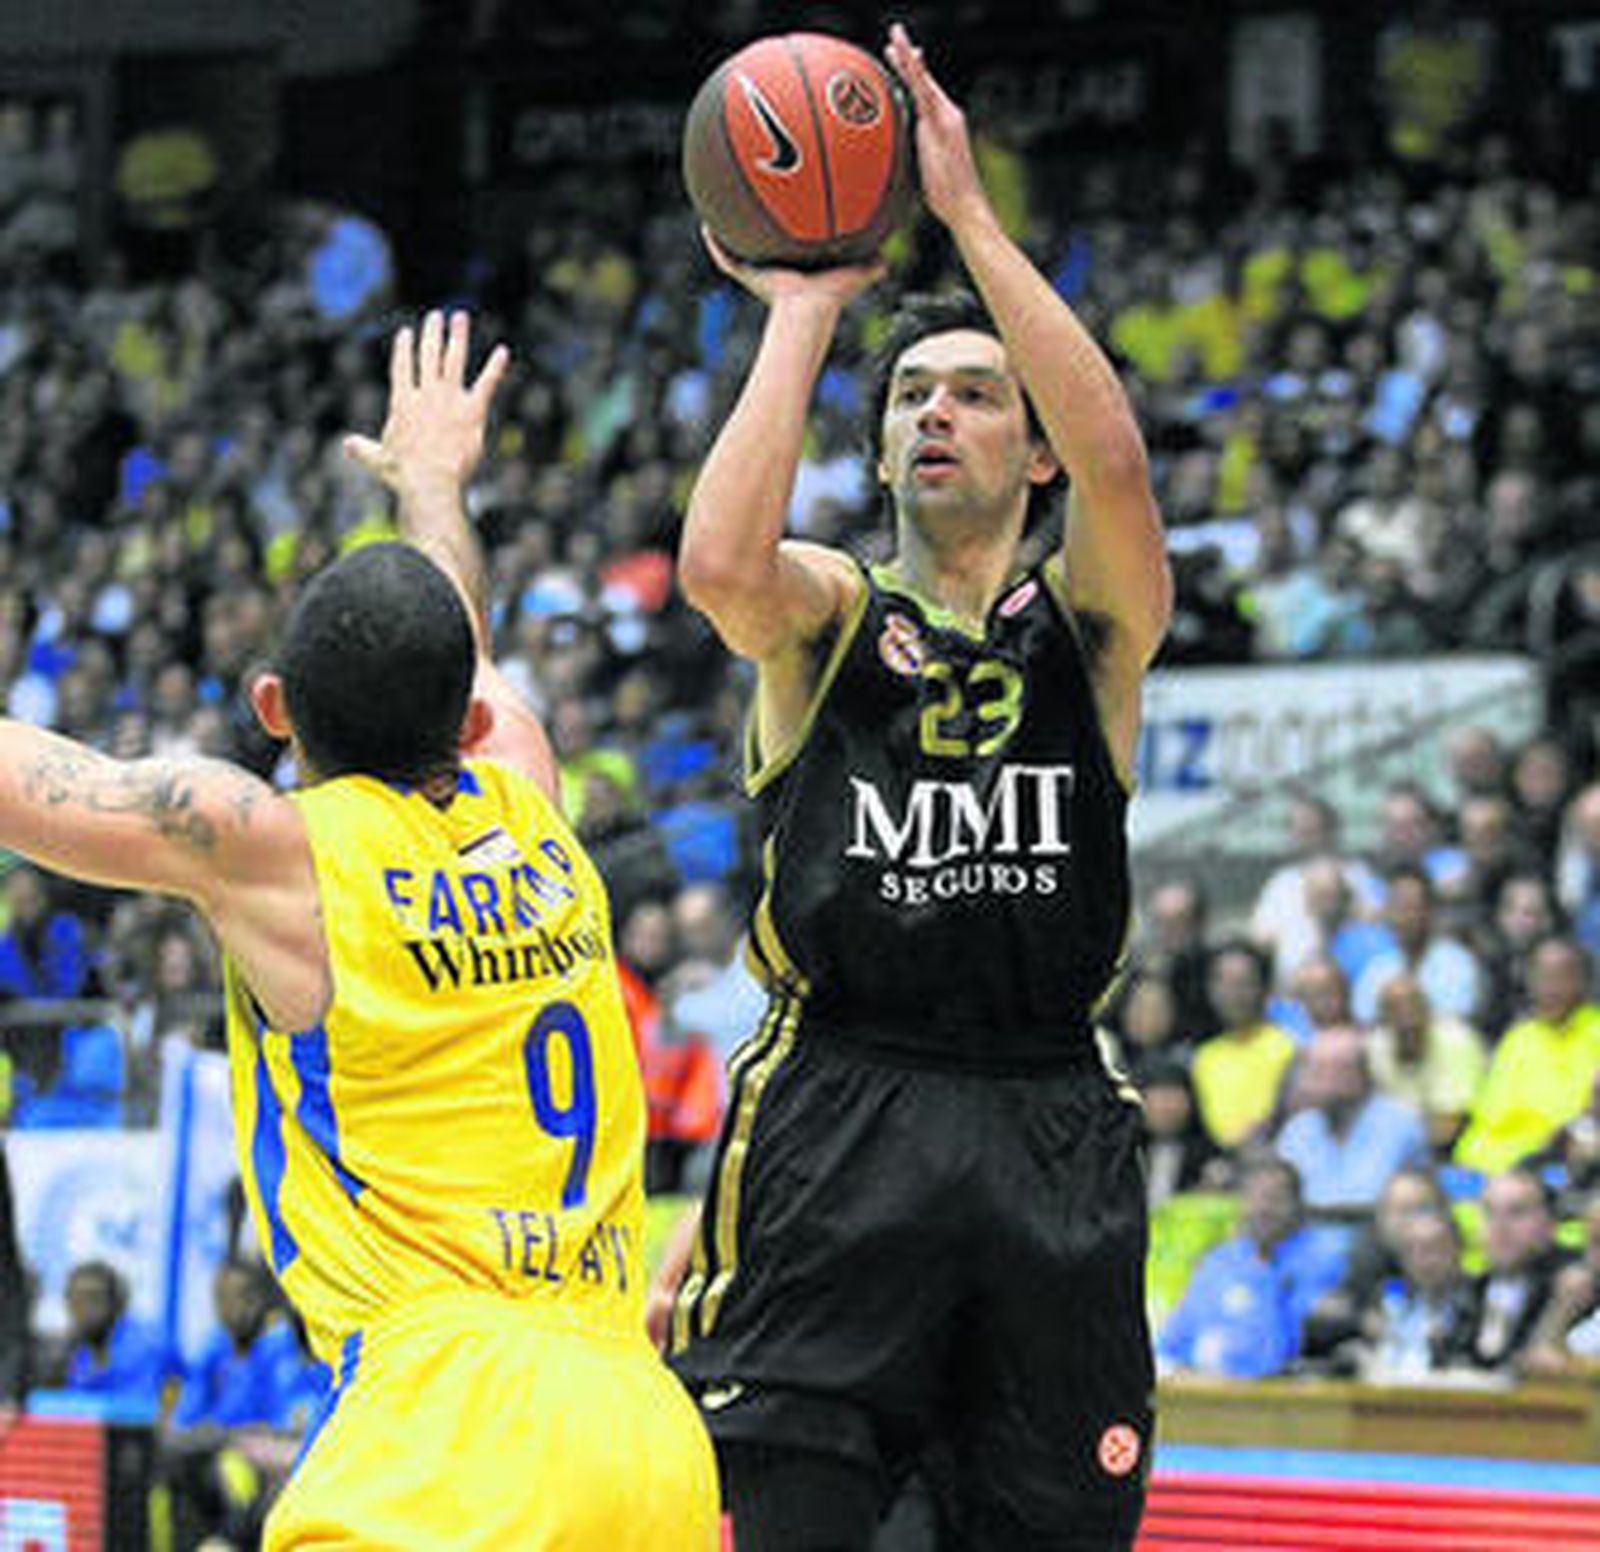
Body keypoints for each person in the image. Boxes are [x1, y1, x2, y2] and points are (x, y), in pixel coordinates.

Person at [0, 312, 717, 1549]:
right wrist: (433, 484)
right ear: (471, 721)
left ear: (273, 708)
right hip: (639, 1430)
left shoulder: (281, 853)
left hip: (444, 1425)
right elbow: (459, 646)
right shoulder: (530, 796)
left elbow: (42, 785)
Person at [667, 24, 1171, 1550]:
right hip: (840, 1108)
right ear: (881, 454)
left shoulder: (1090, 630)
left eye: (976, 396)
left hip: (1044, 1115)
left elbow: (1122, 470)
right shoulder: (828, 615)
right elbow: (718, 566)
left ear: (1035, 456)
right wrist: (806, 305)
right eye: (910, 400)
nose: (936, 414)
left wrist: (968, 223)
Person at [1155, 1155, 1345, 1380]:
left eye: (1275, 1199)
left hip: (1280, 1390)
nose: (1263, 1209)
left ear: (1298, 1205)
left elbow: (1285, 1344)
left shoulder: (1323, 1259)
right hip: (1199, 1386)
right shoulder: (1219, 1260)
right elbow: (1170, 1343)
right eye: (1253, 1198)